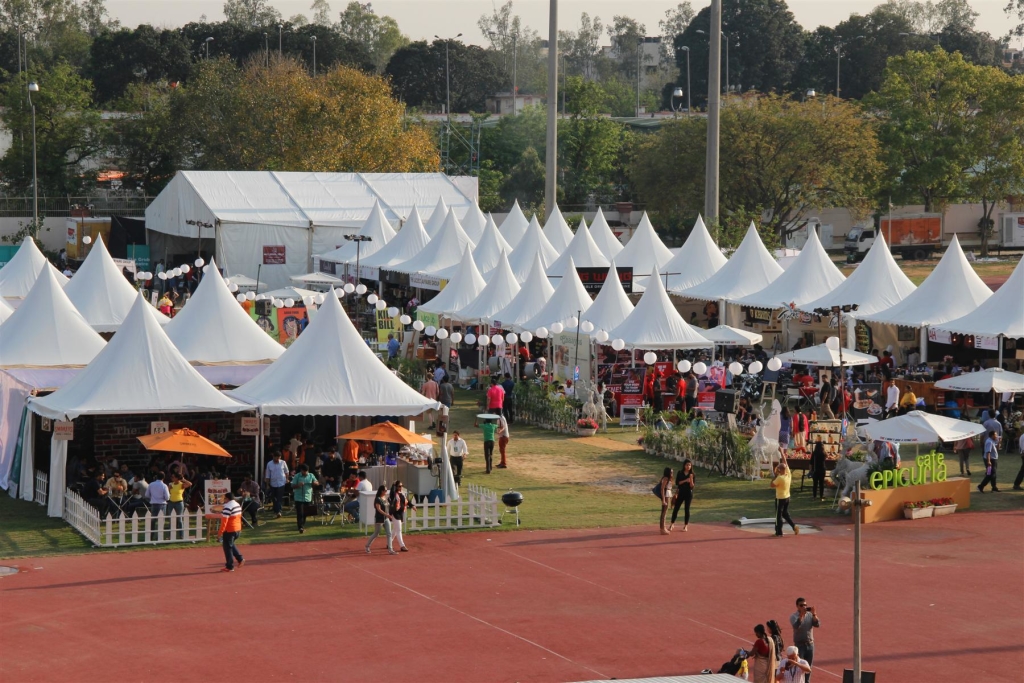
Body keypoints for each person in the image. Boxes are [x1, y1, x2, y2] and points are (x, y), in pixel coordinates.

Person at [790, 598, 820, 683]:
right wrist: (801, 616)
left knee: (808, 668)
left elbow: (817, 624)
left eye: (805, 605)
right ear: (797, 606)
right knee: (799, 667)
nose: (804, 607)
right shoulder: (793, 616)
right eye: (801, 605)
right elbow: (796, 626)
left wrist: (814, 614)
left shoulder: (810, 615)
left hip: (810, 645)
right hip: (799, 646)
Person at [771, 455, 799, 537]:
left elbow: (772, 485)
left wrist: (775, 475)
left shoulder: (780, 478)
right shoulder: (788, 474)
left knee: (778, 515)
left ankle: (778, 532)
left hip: (780, 498)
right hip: (787, 497)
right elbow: (785, 462)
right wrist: (782, 453)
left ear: (779, 470)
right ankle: (794, 526)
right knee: (785, 513)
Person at [217, 492, 245, 572]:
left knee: (227, 548)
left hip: (229, 530)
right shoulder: (237, 504)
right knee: (231, 544)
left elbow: (224, 522)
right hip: (237, 529)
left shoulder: (227, 507)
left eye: (224, 498)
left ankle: (230, 566)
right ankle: (240, 559)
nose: (224, 499)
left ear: (227, 499)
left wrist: (220, 533)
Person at [365, 485, 396, 555]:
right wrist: (386, 514)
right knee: (376, 533)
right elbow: (378, 509)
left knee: (389, 533)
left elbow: (388, 507)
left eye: (386, 490)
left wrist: (389, 514)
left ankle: (390, 549)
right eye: (385, 490)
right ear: (381, 491)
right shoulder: (378, 499)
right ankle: (367, 546)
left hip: (386, 518)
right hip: (379, 519)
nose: (386, 492)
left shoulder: (385, 498)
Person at [290, 464, 319, 533]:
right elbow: (292, 485)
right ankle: (300, 527)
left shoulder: (311, 475)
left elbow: (317, 483)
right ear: (301, 470)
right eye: (304, 471)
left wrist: (315, 483)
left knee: (305, 513)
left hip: (307, 497)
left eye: (306, 471)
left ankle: (302, 525)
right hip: (298, 497)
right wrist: (298, 485)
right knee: (300, 513)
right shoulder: (297, 476)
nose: (305, 473)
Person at [389, 481, 415, 552]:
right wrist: (393, 485)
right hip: (395, 513)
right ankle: (402, 545)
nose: (401, 487)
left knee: (395, 529)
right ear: (396, 487)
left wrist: (412, 506)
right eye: (399, 486)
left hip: (401, 514)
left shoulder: (402, 493)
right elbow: (392, 492)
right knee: (399, 530)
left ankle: (389, 542)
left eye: (401, 486)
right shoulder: (393, 494)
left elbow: (407, 501)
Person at [669, 460, 694, 532]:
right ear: (684, 465)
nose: (688, 466)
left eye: (689, 465)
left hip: (688, 494)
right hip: (681, 493)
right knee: (676, 508)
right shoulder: (680, 473)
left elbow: (692, 486)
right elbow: (677, 483)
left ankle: (685, 525)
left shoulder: (692, 474)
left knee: (687, 509)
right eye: (687, 465)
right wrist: (686, 480)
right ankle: (672, 524)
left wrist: (691, 479)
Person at [145, 472, 170, 540]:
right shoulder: (164, 486)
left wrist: (152, 497)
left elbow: (147, 495)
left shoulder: (151, 484)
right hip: (162, 504)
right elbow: (167, 497)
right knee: (161, 521)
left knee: (153, 521)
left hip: (153, 503)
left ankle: (151, 536)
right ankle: (160, 536)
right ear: (163, 478)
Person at [264, 450, 289, 517]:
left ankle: (278, 511)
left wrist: (287, 479)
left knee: (279, 498)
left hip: (281, 483)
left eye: (278, 458)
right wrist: (267, 484)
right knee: (274, 498)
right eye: (276, 458)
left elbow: (286, 472)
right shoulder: (269, 464)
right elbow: (267, 475)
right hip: (273, 483)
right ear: (273, 457)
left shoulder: (283, 462)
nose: (277, 459)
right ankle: (276, 511)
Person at [167, 472, 192, 538]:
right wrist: (168, 488)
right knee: (171, 519)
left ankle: (181, 535)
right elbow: (167, 491)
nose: (172, 478)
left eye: (173, 477)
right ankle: (170, 535)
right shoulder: (171, 484)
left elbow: (190, 484)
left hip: (179, 502)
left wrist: (183, 479)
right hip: (171, 502)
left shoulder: (181, 485)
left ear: (177, 478)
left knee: (179, 519)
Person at [658, 467, 673, 535]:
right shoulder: (666, 479)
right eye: (671, 472)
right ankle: (662, 529)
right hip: (666, 495)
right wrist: (663, 500)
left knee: (664, 512)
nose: (672, 473)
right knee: (664, 512)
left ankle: (663, 527)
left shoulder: (667, 478)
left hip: (668, 494)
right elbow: (662, 489)